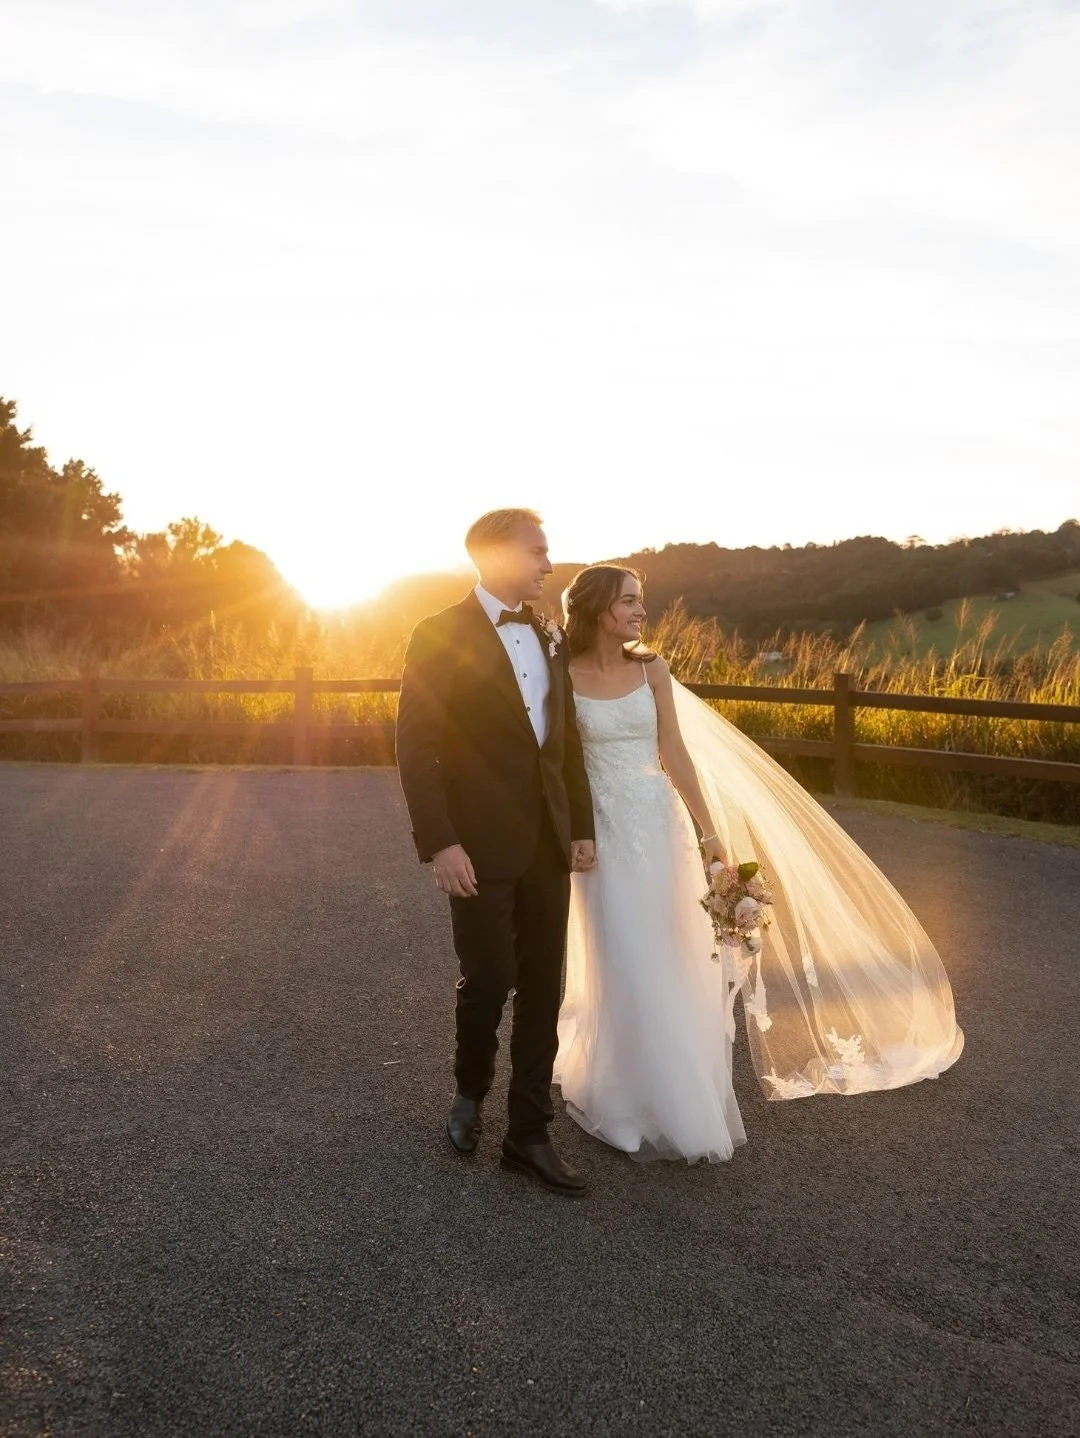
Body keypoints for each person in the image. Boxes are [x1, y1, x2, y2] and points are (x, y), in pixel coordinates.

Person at [555, 565, 963, 1163]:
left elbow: (675, 752)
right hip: (600, 835)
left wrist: (710, 831)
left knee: (668, 953)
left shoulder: (652, 668)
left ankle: (671, 1096)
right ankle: (616, 1091)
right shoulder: (561, 675)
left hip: (655, 824)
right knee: (616, 952)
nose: (642, 611)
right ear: (597, 609)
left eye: (642, 601)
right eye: (630, 602)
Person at [396, 509, 597, 1196]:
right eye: (538, 551)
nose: (547, 564)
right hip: (475, 844)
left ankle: (528, 1134)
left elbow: (562, 738)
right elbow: (416, 748)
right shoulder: (438, 633)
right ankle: (469, 1090)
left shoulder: (549, 635)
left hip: (547, 840)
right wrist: (440, 843)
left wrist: (582, 826)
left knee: (547, 985)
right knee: (489, 977)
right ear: (495, 553)